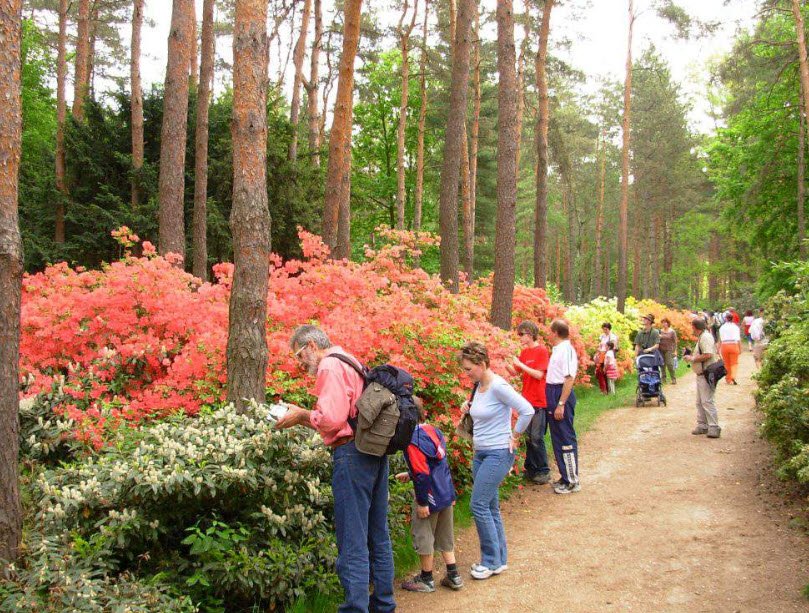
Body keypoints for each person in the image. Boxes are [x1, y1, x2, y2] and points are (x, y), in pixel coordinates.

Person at [275, 325, 395, 613]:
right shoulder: (349, 359)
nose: (300, 363)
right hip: (375, 451)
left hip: (352, 454)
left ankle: (355, 607)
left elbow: (331, 419)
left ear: (312, 346)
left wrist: (302, 415)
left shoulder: (329, 365)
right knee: (378, 533)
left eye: (299, 355)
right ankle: (384, 604)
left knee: (352, 537)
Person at [458, 342, 534, 580]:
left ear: (482, 364)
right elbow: (482, 412)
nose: (466, 373)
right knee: (489, 506)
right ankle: (499, 560)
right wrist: (468, 408)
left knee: (477, 505)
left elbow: (527, 410)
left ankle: (489, 562)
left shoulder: (498, 386)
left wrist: (516, 435)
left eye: (469, 369)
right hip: (480, 452)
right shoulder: (478, 386)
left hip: (498, 452)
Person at [398, 399, 463, 593]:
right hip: (445, 491)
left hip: (430, 495)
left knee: (424, 533)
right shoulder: (434, 431)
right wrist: (409, 474)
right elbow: (436, 464)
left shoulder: (412, 441)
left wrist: (422, 502)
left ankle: (426, 578)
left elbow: (422, 473)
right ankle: (454, 575)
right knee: (445, 532)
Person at [505, 321, 551, 485]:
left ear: (530, 334)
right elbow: (516, 372)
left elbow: (539, 375)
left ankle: (543, 470)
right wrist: (508, 363)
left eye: (521, 334)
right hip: (526, 400)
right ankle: (531, 469)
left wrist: (521, 365)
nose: (520, 337)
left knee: (536, 437)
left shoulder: (541, 351)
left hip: (538, 400)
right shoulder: (524, 352)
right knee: (528, 437)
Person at [545, 319, 581, 495]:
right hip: (552, 391)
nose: (547, 333)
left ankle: (572, 480)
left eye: (549, 330)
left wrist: (561, 403)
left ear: (555, 333)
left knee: (565, 437)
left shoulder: (566, 350)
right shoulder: (557, 349)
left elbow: (569, 378)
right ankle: (565, 476)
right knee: (557, 437)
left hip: (560, 393)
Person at [684, 318, 721, 438]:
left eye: (692, 327)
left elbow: (708, 354)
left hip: (706, 373)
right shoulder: (703, 336)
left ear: (695, 327)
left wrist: (692, 358)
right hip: (701, 374)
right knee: (700, 402)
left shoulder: (705, 337)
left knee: (707, 401)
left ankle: (714, 427)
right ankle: (703, 425)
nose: (691, 330)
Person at [718, 312, 741, 385]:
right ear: (732, 319)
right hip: (734, 345)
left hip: (724, 345)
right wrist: (740, 348)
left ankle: (728, 379)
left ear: (726, 319)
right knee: (734, 363)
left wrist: (718, 348)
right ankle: (733, 376)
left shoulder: (722, 327)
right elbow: (738, 339)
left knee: (726, 363)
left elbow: (720, 339)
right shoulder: (735, 327)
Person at [594, 323, 618, 394]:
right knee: (600, 372)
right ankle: (604, 389)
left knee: (605, 372)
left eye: (606, 329)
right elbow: (600, 345)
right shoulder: (602, 336)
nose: (604, 331)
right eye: (603, 329)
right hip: (601, 355)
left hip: (607, 355)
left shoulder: (612, 336)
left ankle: (607, 390)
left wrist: (609, 356)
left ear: (609, 329)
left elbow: (613, 347)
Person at [658, 317, 678, 385]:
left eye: (665, 322)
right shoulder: (660, 331)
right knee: (662, 365)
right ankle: (663, 379)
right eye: (663, 322)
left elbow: (675, 342)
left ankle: (673, 378)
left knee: (670, 364)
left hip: (669, 350)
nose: (664, 324)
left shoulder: (672, 331)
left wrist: (675, 351)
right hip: (660, 350)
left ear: (668, 323)